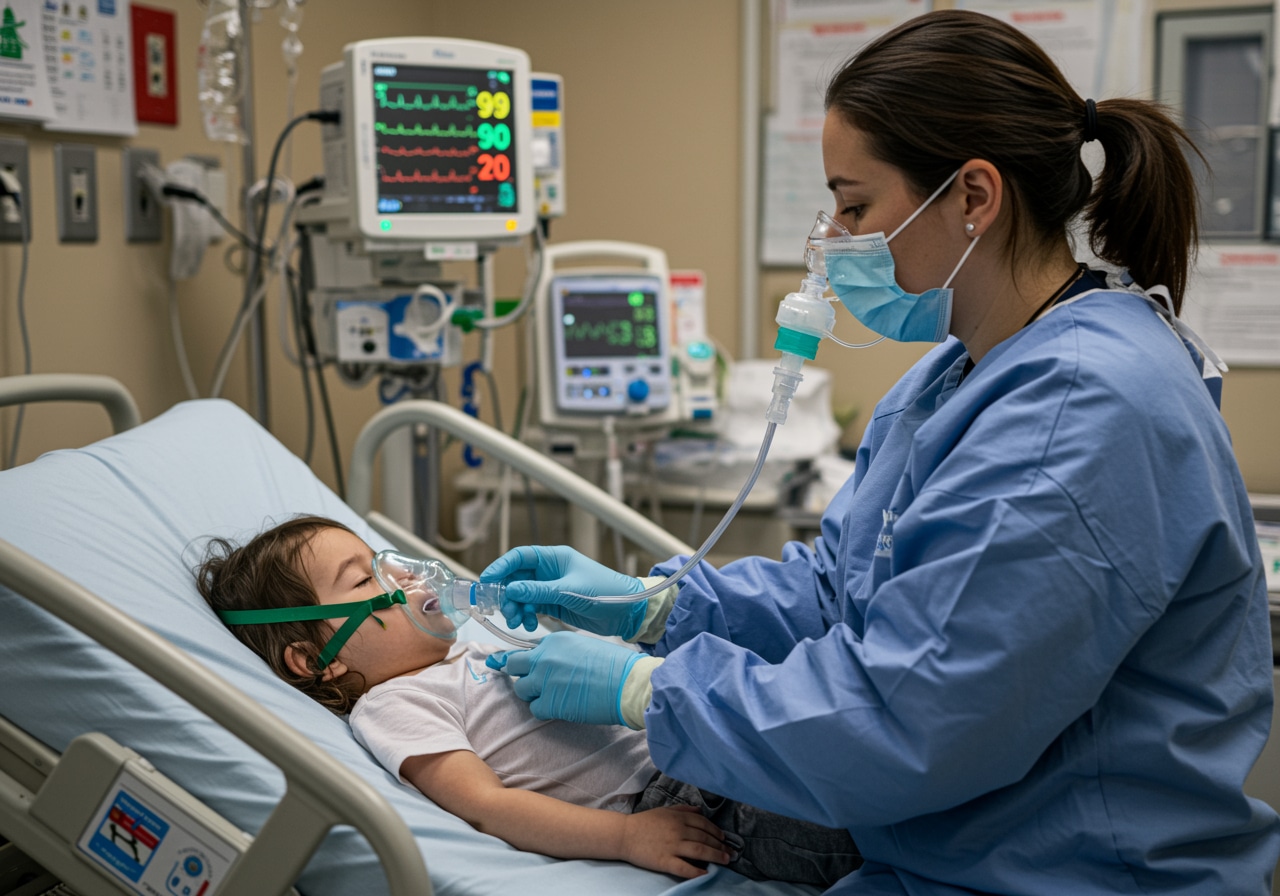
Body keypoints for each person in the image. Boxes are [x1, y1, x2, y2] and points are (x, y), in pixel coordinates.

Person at [478, 10, 1280, 895]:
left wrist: (648, 692)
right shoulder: (958, 375)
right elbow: (844, 593)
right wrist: (661, 608)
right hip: (954, 851)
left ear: (974, 197)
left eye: (855, 206)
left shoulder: (1078, 412)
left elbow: (913, 719)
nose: (832, 239)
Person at [194, 514, 861, 886]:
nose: (400, 574)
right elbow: (487, 806)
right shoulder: (394, 703)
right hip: (684, 803)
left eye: (381, 558)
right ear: (317, 660)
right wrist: (627, 837)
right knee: (858, 834)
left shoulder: (465, 647)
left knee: (852, 772)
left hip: (694, 741)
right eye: (363, 579)